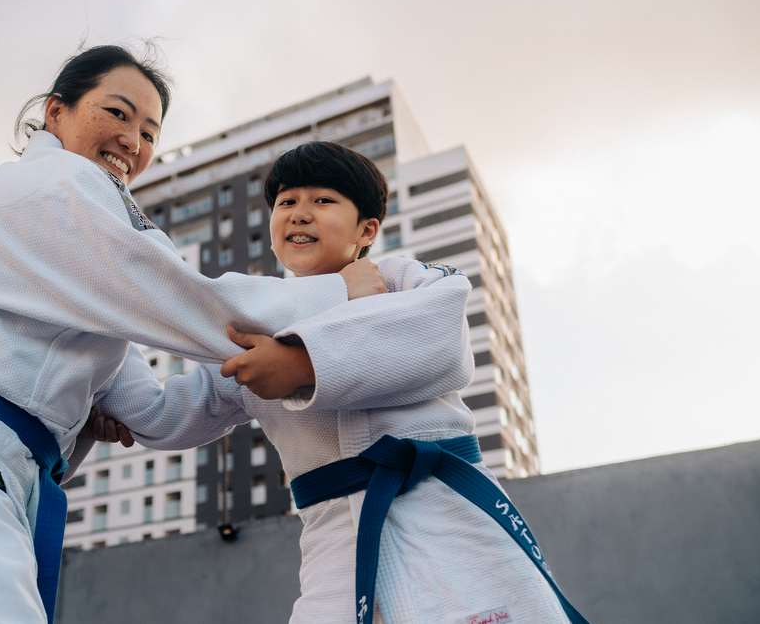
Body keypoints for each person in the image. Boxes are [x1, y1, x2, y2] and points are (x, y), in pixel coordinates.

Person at [0, 46, 394, 624]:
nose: (133, 141)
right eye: (117, 113)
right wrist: (336, 295)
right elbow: (184, 298)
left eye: (151, 132)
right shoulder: (59, 188)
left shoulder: (69, 255)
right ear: (56, 111)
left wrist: (250, 381)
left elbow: (154, 412)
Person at [85, 142, 584, 624]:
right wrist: (99, 367)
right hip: (332, 542)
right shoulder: (255, 323)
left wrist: (301, 365)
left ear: (367, 228)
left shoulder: (402, 280)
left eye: (322, 200)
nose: (299, 213)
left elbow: (440, 338)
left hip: (445, 517)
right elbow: (169, 415)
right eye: (286, 202)